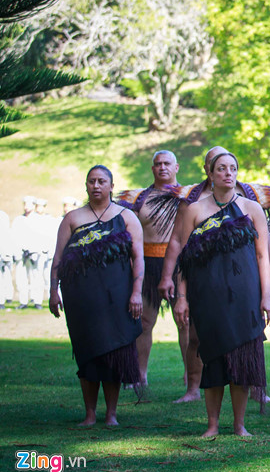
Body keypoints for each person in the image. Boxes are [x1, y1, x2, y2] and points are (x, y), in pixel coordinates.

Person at [155, 146, 270, 403]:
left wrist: (266, 296)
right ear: (209, 173)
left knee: (246, 345)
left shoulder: (251, 208)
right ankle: (206, 412)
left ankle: (241, 421)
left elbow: (262, 255)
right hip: (207, 292)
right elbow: (184, 257)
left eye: (233, 168)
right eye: (221, 168)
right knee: (205, 345)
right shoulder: (194, 210)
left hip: (244, 291)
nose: (228, 173)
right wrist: (182, 296)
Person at [48, 165, 144, 426]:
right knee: (87, 352)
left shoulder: (126, 217)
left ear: (112, 186)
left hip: (118, 297)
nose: (96, 185)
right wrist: (53, 292)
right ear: (86, 185)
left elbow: (138, 258)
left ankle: (111, 414)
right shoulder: (73, 218)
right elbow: (58, 258)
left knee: (114, 352)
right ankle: (90, 414)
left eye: (102, 181)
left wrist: (136, 293)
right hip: (81, 299)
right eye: (92, 181)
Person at [116, 150, 181, 384]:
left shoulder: (187, 197)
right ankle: (140, 374)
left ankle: (192, 377)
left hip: (180, 265)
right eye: (157, 164)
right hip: (147, 264)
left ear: (176, 168)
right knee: (143, 321)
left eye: (167, 163)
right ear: (152, 168)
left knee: (184, 320)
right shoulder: (139, 199)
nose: (162, 167)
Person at [12, 196, 45, 309]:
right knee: (22, 278)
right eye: (25, 204)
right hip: (21, 254)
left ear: (34, 206)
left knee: (36, 276)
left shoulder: (39, 220)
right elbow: (15, 236)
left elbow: (41, 237)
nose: (26, 207)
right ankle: (23, 301)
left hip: (35, 253)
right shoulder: (18, 220)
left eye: (29, 204)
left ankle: (37, 301)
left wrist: (35, 250)